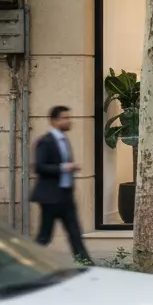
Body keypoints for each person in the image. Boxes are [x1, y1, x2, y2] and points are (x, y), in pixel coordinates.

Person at [32, 106, 90, 262]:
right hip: (51, 197)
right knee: (45, 236)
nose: (68, 121)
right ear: (54, 121)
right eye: (64, 118)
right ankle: (27, 262)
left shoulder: (64, 140)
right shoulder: (45, 141)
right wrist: (64, 167)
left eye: (68, 118)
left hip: (65, 194)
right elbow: (39, 167)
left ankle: (85, 264)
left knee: (74, 232)